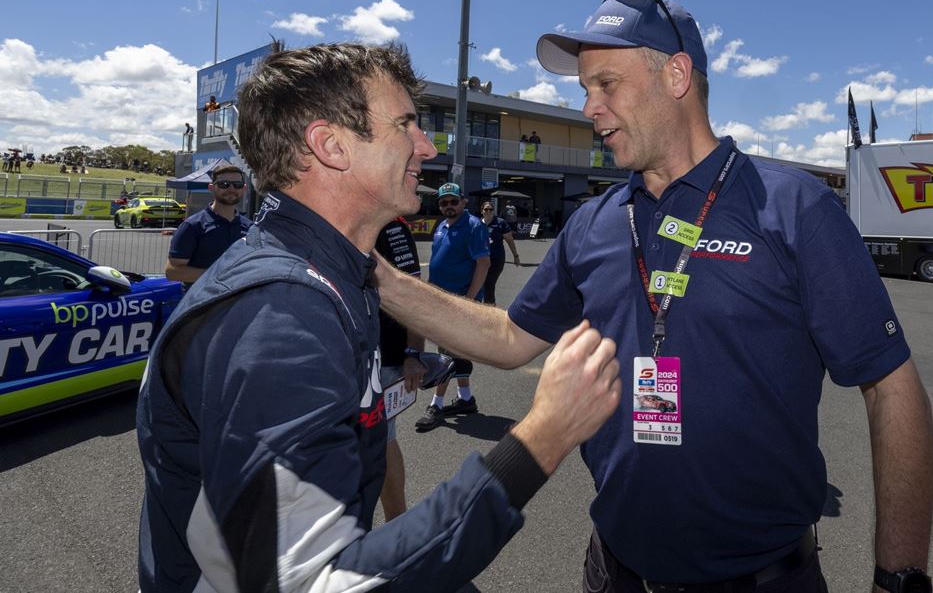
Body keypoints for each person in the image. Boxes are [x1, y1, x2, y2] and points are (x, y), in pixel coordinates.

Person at [376, 0, 933, 592]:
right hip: (613, 570)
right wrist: (378, 278)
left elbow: (890, 387)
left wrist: (898, 577)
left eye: (606, 84)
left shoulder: (794, 207)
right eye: (585, 89)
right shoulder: (593, 223)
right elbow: (511, 337)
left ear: (676, 75)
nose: (590, 108)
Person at [136, 41, 621, 593]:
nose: (426, 144)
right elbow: (320, 581)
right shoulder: (281, 315)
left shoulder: (333, 271)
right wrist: (544, 435)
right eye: (406, 125)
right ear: (331, 145)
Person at [413, 183, 490, 432]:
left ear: (463, 202)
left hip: (457, 302)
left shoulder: (473, 226)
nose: (449, 206)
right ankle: (466, 399)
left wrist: (468, 298)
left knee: (446, 354)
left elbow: (483, 263)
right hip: (440, 300)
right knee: (456, 353)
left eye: (453, 201)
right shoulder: (442, 226)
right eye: (444, 202)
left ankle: (436, 405)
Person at [374, 216, 427, 521]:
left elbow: (414, 291)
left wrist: (413, 352)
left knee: (381, 439)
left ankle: (398, 522)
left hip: (386, 355)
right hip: (348, 351)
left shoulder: (391, 226)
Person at [164, 164, 251, 287]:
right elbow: (172, 272)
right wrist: (219, 274)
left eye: (237, 185)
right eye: (224, 184)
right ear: (211, 187)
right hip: (201, 303)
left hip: (239, 303)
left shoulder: (250, 228)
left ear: (244, 188)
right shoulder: (192, 226)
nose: (231, 189)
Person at [479, 200, 520, 305]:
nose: (488, 211)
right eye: (486, 209)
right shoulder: (477, 224)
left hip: (496, 259)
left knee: (489, 282)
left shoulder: (500, 223)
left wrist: (515, 255)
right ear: (482, 211)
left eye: (490, 209)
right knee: (480, 283)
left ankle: (490, 308)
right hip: (481, 259)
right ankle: (482, 306)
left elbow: (509, 240)